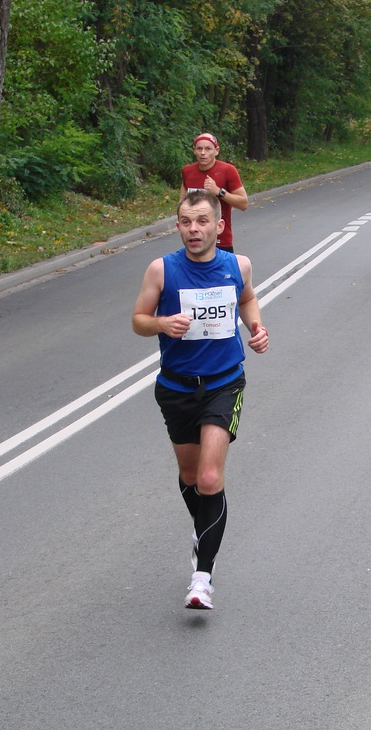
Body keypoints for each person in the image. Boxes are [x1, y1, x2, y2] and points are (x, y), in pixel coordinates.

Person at [131, 190, 269, 610]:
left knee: (210, 478)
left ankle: (202, 578)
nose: (194, 229)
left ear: (218, 226)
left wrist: (256, 327)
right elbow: (138, 321)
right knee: (191, 478)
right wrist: (161, 322)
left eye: (202, 221)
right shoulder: (162, 270)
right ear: (178, 227)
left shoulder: (236, 265)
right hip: (175, 388)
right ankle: (204, 526)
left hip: (224, 383)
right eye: (187, 222)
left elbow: (245, 297)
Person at [180, 133, 249, 252]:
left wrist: (219, 192)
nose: (203, 153)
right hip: (195, 239)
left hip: (220, 239)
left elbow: (243, 204)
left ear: (216, 151)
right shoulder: (187, 171)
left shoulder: (227, 170)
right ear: (194, 150)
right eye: (199, 148)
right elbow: (182, 205)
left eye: (208, 149)